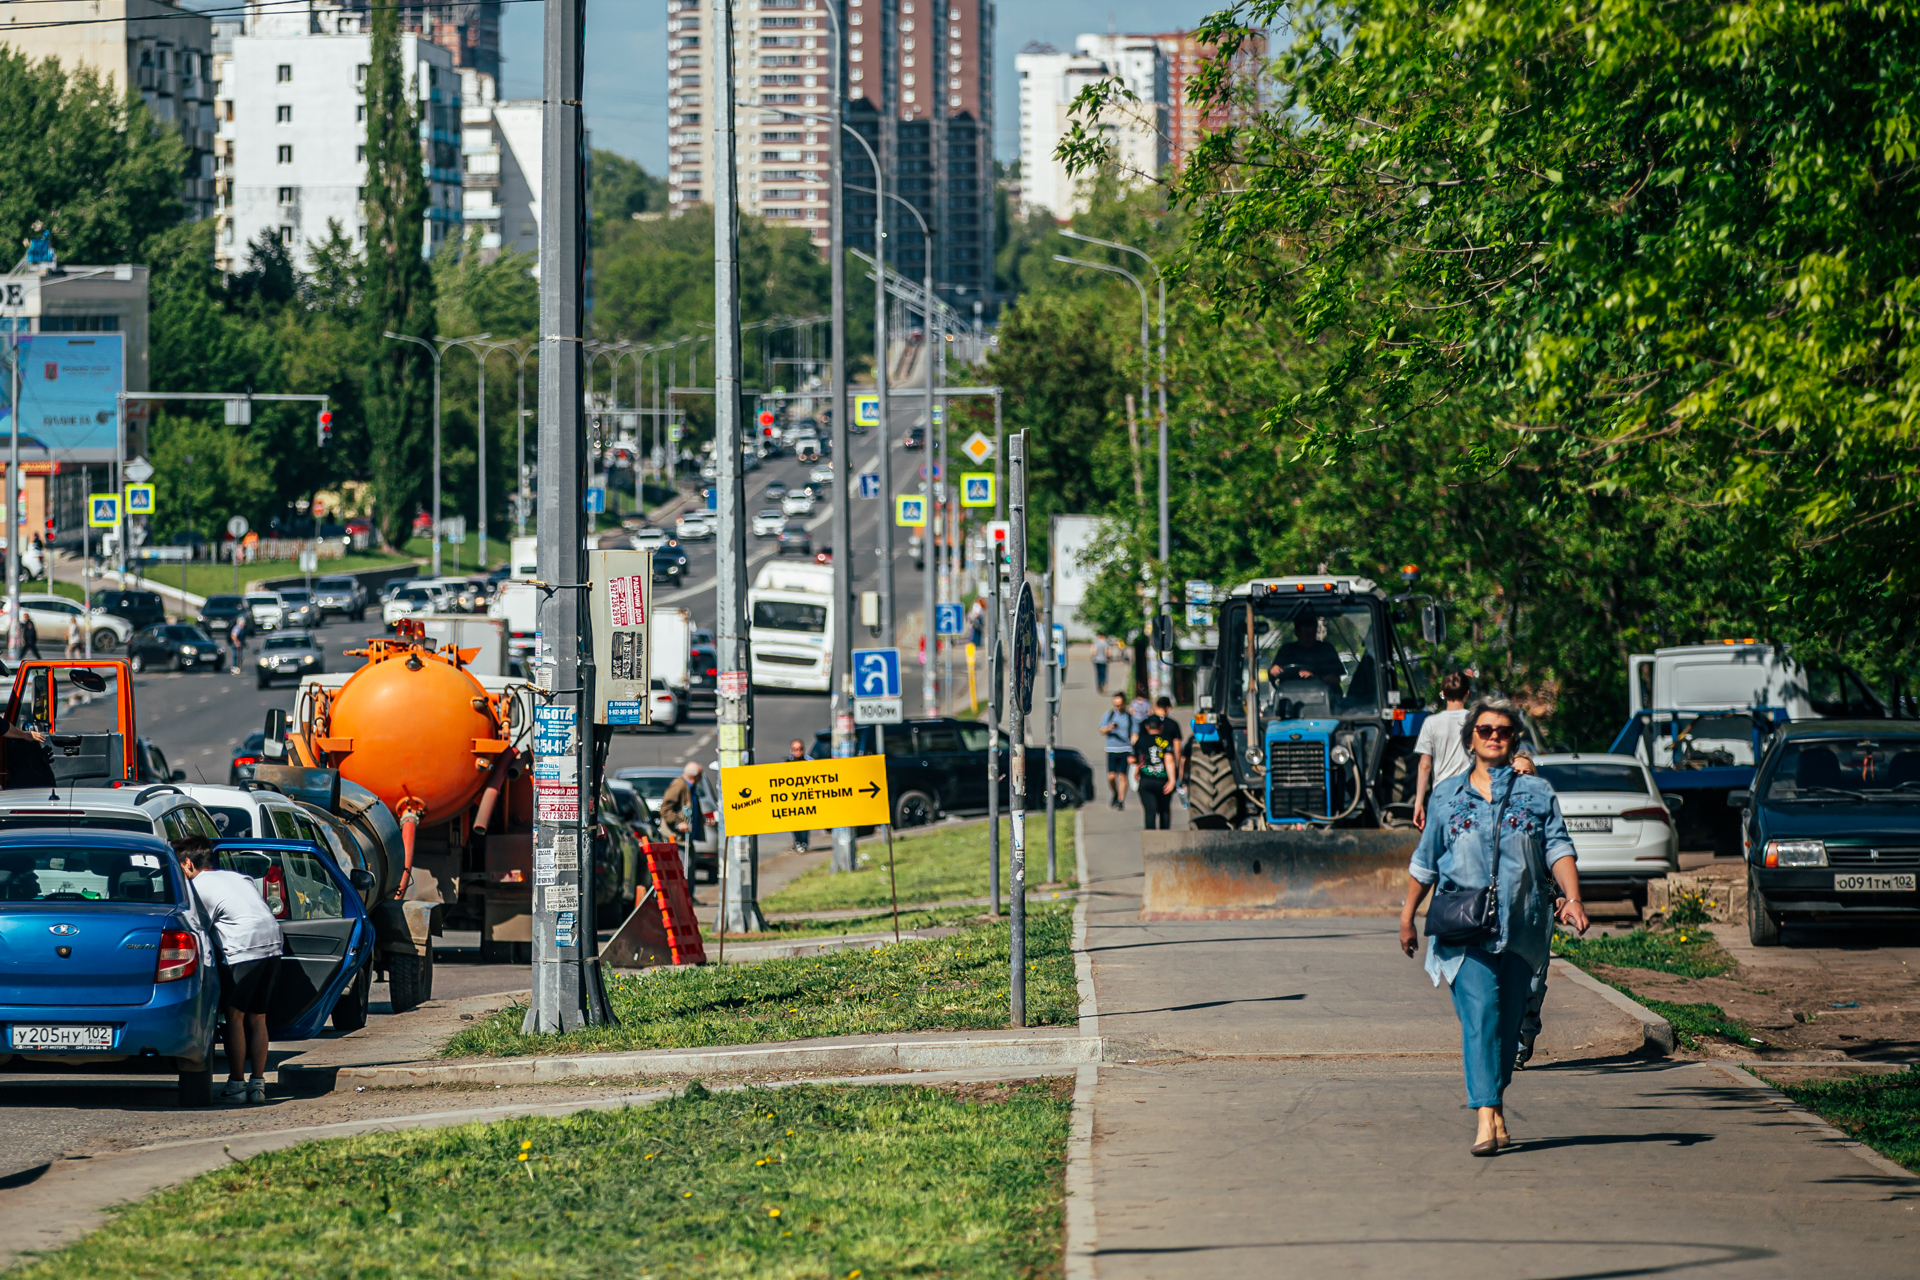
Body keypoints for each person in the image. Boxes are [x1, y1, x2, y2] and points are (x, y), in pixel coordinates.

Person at [1399, 698, 1586, 1155]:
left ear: (1514, 738)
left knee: (1507, 1025)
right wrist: (1407, 916)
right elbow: (1425, 862)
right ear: (1471, 739)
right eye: (1485, 729)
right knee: (1481, 1016)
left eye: (1502, 730)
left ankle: (1495, 1100)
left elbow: (1558, 847)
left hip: (1523, 925)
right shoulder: (1446, 796)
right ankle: (1485, 1117)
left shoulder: (1537, 794)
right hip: (1464, 929)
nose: (1494, 736)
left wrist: (1574, 898)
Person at [175, 835, 284, 1105]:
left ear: (187, 864)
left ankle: (236, 1085)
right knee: (258, 1018)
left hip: (244, 948)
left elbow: (197, 929)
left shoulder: (196, 887)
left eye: (178, 868)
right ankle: (258, 1086)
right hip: (273, 944)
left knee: (234, 1017)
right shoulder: (238, 878)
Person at [1413, 672, 1473, 829]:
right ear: (1467, 694)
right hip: (1469, 793)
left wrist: (1418, 803)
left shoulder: (1431, 722)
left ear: (1443, 694)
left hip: (1441, 796)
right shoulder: (1474, 720)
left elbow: (1425, 765)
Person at [1133, 712, 1182, 830]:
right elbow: (1169, 760)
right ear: (1161, 726)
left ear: (1147, 727)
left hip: (1146, 780)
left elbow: (1135, 759)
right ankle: (1164, 836)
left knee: (1150, 811)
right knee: (1164, 810)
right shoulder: (1166, 740)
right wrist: (1172, 780)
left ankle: (1151, 839)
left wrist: (1136, 772)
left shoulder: (1141, 741)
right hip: (1162, 780)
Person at [1272, 616, 1345, 691]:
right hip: (1289, 695)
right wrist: (1273, 671)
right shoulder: (1286, 650)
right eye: (1305, 633)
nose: (1308, 636)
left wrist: (1315, 678)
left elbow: (1336, 679)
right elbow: (1274, 672)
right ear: (1297, 633)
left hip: (1321, 696)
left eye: (1311, 632)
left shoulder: (1326, 650)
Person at [1099, 693, 1137, 810]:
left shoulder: (1130, 717)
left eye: (1120, 705)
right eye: (1116, 705)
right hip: (1111, 749)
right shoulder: (1109, 715)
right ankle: (1115, 793)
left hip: (1125, 749)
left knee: (1122, 776)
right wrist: (1110, 727)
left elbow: (1134, 734)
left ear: (1124, 704)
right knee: (1111, 776)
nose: (1118, 707)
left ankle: (1121, 800)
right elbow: (1101, 730)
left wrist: (1133, 749)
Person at [785, 739, 811, 853]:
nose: (798, 752)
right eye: (796, 749)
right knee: (794, 823)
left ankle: (804, 843)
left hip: (805, 798)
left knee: (805, 822)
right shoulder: (786, 764)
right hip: (792, 799)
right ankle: (797, 842)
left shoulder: (809, 762)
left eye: (800, 749)